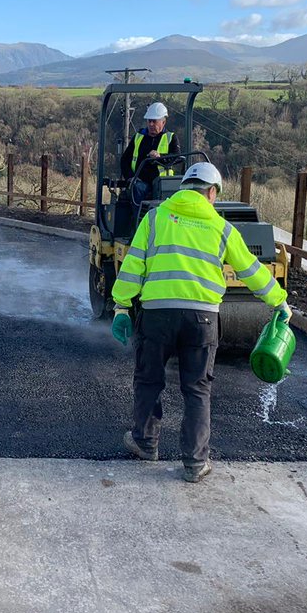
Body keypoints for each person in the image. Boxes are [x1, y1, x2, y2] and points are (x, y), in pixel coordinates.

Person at [110, 161, 291, 484]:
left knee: (149, 380)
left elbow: (133, 267)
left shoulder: (155, 219)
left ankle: (145, 442)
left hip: (156, 315)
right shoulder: (222, 228)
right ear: (211, 192)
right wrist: (279, 301)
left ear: (184, 189)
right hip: (203, 318)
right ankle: (195, 463)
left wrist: (122, 307)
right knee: (196, 389)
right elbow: (251, 270)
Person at [120, 102, 180, 206]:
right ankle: (139, 220)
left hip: (163, 183)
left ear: (163, 122)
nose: (151, 124)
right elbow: (125, 160)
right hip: (141, 181)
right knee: (137, 188)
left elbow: (177, 157)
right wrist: (130, 177)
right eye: (149, 121)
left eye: (154, 121)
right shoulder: (138, 137)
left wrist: (160, 157)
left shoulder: (171, 138)